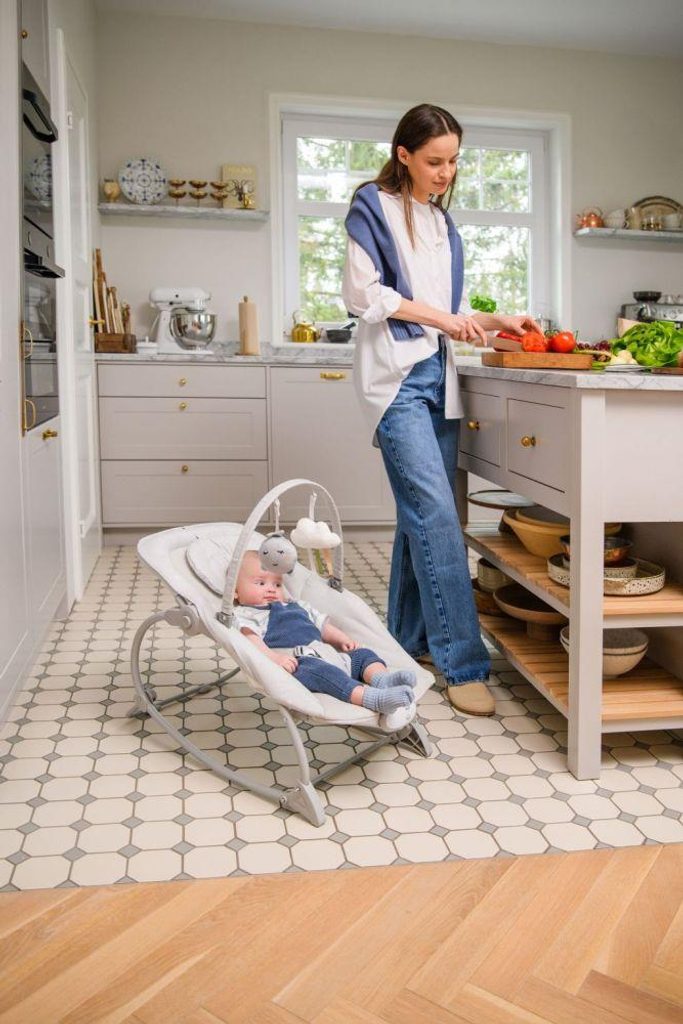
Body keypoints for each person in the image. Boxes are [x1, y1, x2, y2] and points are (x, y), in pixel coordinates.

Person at [343, 103, 541, 716]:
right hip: (396, 381)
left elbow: (448, 314)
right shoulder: (372, 205)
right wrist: (443, 319)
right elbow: (363, 295)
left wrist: (495, 320)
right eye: (434, 161)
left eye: (454, 161)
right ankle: (463, 664)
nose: (446, 172)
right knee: (436, 515)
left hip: (439, 375)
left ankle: (407, 643)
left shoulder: (442, 224)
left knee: (420, 518)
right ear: (403, 154)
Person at [234, 551, 417, 726]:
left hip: (328, 654)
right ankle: (372, 699)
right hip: (299, 664)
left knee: (363, 655)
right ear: (236, 591)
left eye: (277, 584)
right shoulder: (247, 615)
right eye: (260, 583)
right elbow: (252, 642)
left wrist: (342, 639)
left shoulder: (298, 606)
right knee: (323, 673)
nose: (271, 589)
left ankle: (382, 680)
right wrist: (275, 658)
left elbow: (323, 626)